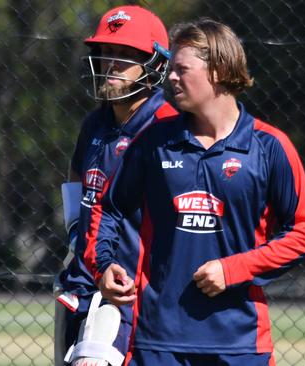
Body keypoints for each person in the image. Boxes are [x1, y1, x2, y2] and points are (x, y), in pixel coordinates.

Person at [86, 18, 305, 366]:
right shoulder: (153, 143)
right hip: (157, 341)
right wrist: (103, 266)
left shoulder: (270, 147)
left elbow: (304, 233)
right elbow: (107, 209)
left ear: (219, 71)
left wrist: (236, 269)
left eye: (182, 69)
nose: (172, 78)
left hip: (241, 344)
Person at [53, 5, 177, 366]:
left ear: (153, 65)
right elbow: (78, 172)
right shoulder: (95, 123)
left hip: (132, 290)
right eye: (106, 52)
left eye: (125, 56)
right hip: (85, 279)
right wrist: (77, 227)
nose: (110, 63)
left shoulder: (168, 127)